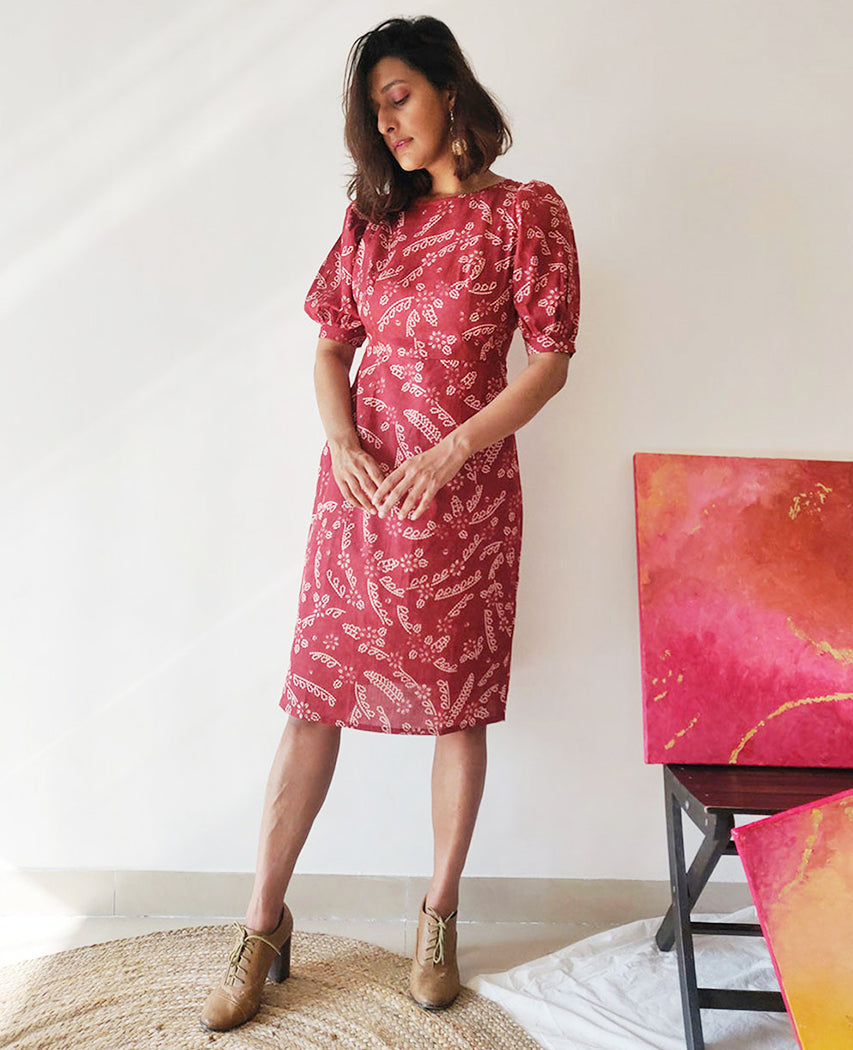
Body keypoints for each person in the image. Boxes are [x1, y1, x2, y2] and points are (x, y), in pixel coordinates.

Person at [199, 14, 580, 1032]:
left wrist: (454, 450)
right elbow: (331, 343)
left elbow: (549, 360)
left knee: (459, 707)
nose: (387, 122)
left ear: (451, 90)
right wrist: (341, 444)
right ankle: (262, 922)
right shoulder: (373, 222)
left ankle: (437, 916)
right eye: (373, 110)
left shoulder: (525, 213)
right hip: (360, 500)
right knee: (312, 700)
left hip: (465, 501)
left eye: (398, 96)